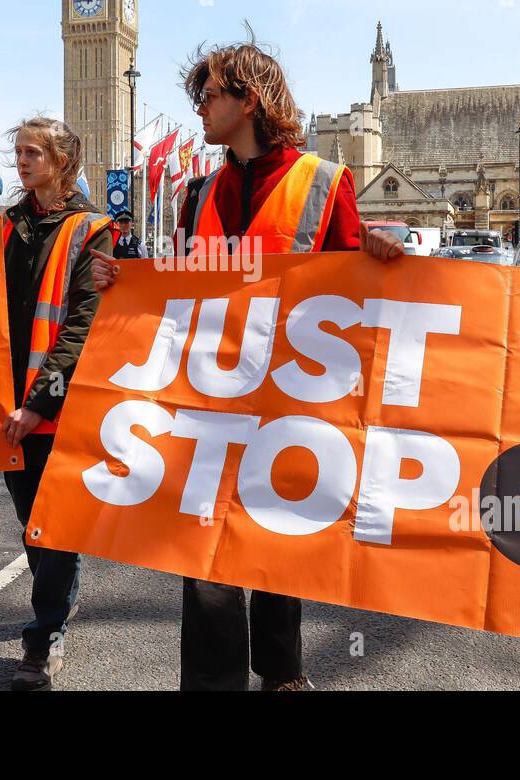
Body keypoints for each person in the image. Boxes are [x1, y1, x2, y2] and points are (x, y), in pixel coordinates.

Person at [90, 39, 403, 691]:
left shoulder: (324, 182)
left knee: (277, 546)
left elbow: (354, 294)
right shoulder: (197, 192)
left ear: (249, 100)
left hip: (292, 403)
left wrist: (374, 249)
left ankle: (282, 670)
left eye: (208, 97)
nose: (199, 111)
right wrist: (124, 280)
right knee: (206, 560)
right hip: (208, 401)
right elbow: (176, 287)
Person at [0, 117, 113, 690]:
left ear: (63, 160)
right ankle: (57, 602)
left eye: (33, 152)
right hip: (2, 399)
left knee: (51, 527)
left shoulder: (93, 229)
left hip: (59, 402)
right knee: (32, 524)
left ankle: (44, 637)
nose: (22, 161)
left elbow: (84, 323)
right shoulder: (2, 225)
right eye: (18, 152)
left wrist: (40, 402)